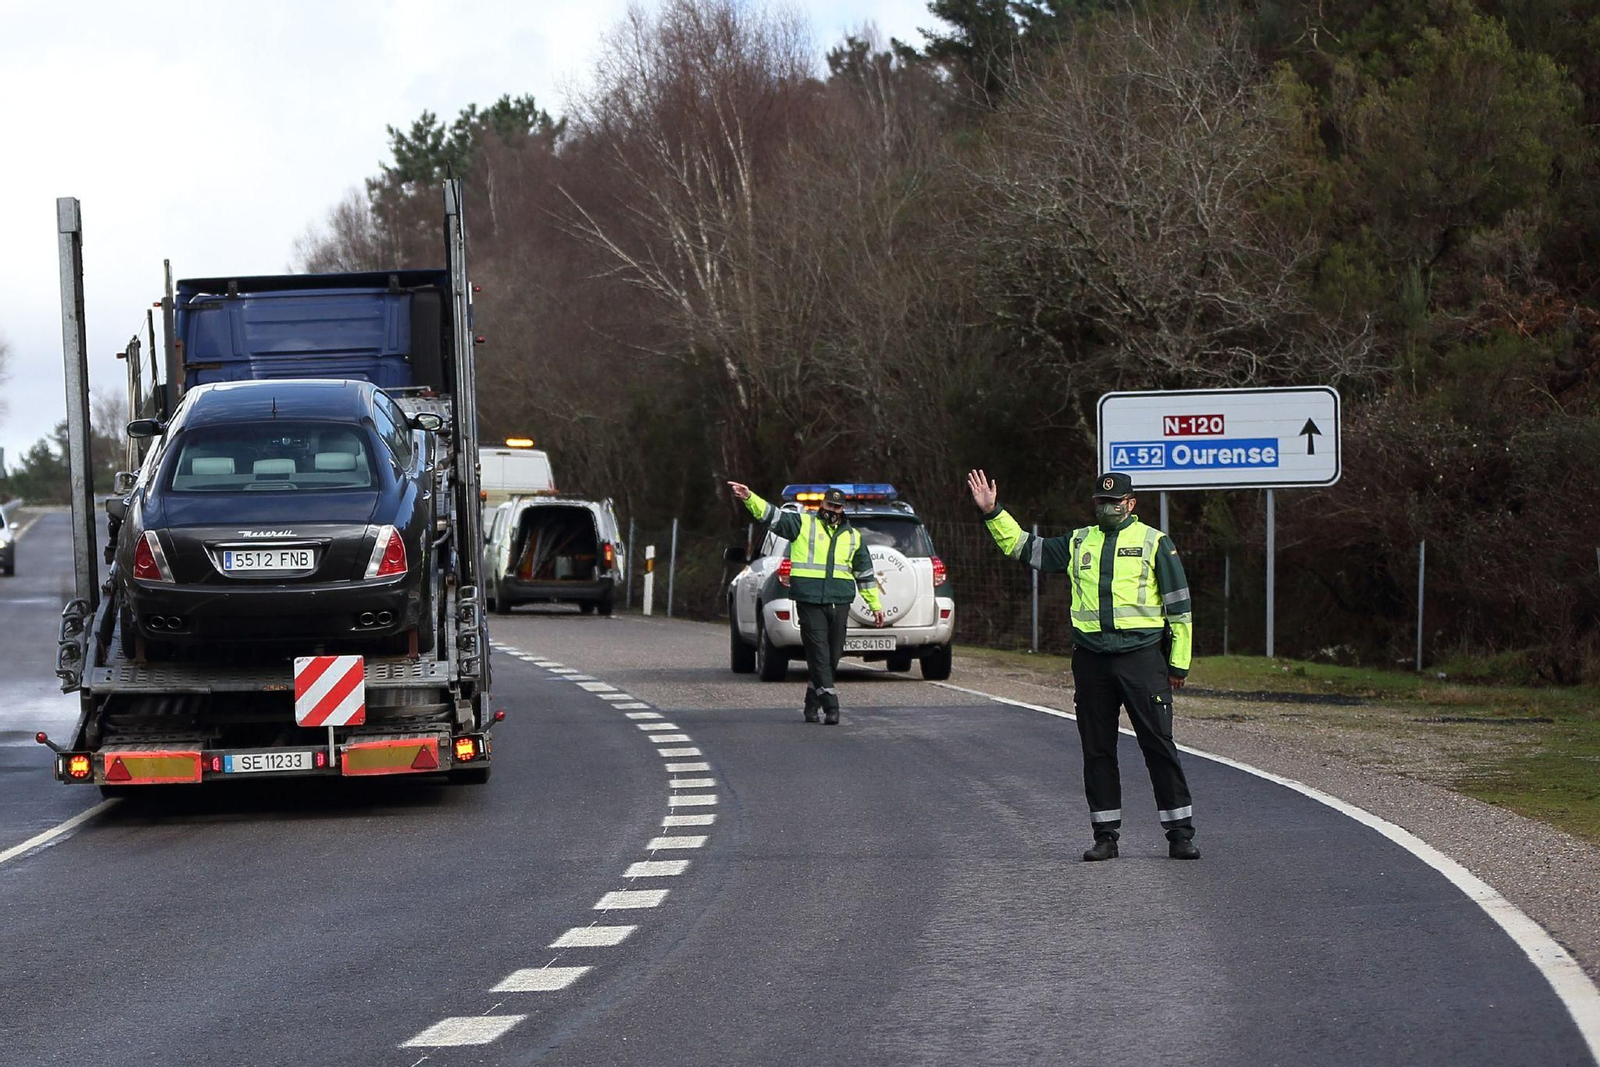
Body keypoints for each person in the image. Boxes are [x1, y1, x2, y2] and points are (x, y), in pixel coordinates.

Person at [967, 469, 1200, 860]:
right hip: (1092, 662)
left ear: (1130, 504)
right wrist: (993, 513)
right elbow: (1026, 548)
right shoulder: (1078, 542)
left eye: (1113, 502)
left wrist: (1178, 664)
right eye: (1100, 502)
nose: (1106, 508)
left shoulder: (1155, 543)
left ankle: (1180, 833)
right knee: (1097, 750)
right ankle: (1105, 835)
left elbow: (1180, 609)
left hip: (1142, 659)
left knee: (1158, 746)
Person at [727, 482, 886, 725]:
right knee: (819, 652)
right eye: (829, 504)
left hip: (839, 602)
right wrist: (749, 497)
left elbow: (865, 574)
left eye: (837, 507)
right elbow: (772, 516)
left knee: (832, 655)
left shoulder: (853, 537)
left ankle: (811, 703)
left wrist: (874, 606)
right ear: (822, 504)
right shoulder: (803, 524)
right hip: (809, 600)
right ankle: (831, 704)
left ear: (843, 510)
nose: (832, 510)